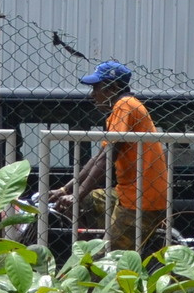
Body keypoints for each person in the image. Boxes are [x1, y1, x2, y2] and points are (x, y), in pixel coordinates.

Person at [68, 60, 170, 257]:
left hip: (140, 200)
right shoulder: (121, 108)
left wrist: (76, 194)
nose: (92, 95)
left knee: (108, 258)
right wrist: (69, 189)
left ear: (112, 88)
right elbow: (100, 155)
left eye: (96, 88)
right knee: (90, 200)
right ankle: (97, 243)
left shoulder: (124, 105)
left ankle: (102, 257)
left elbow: (108, 157)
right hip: (128, 193)